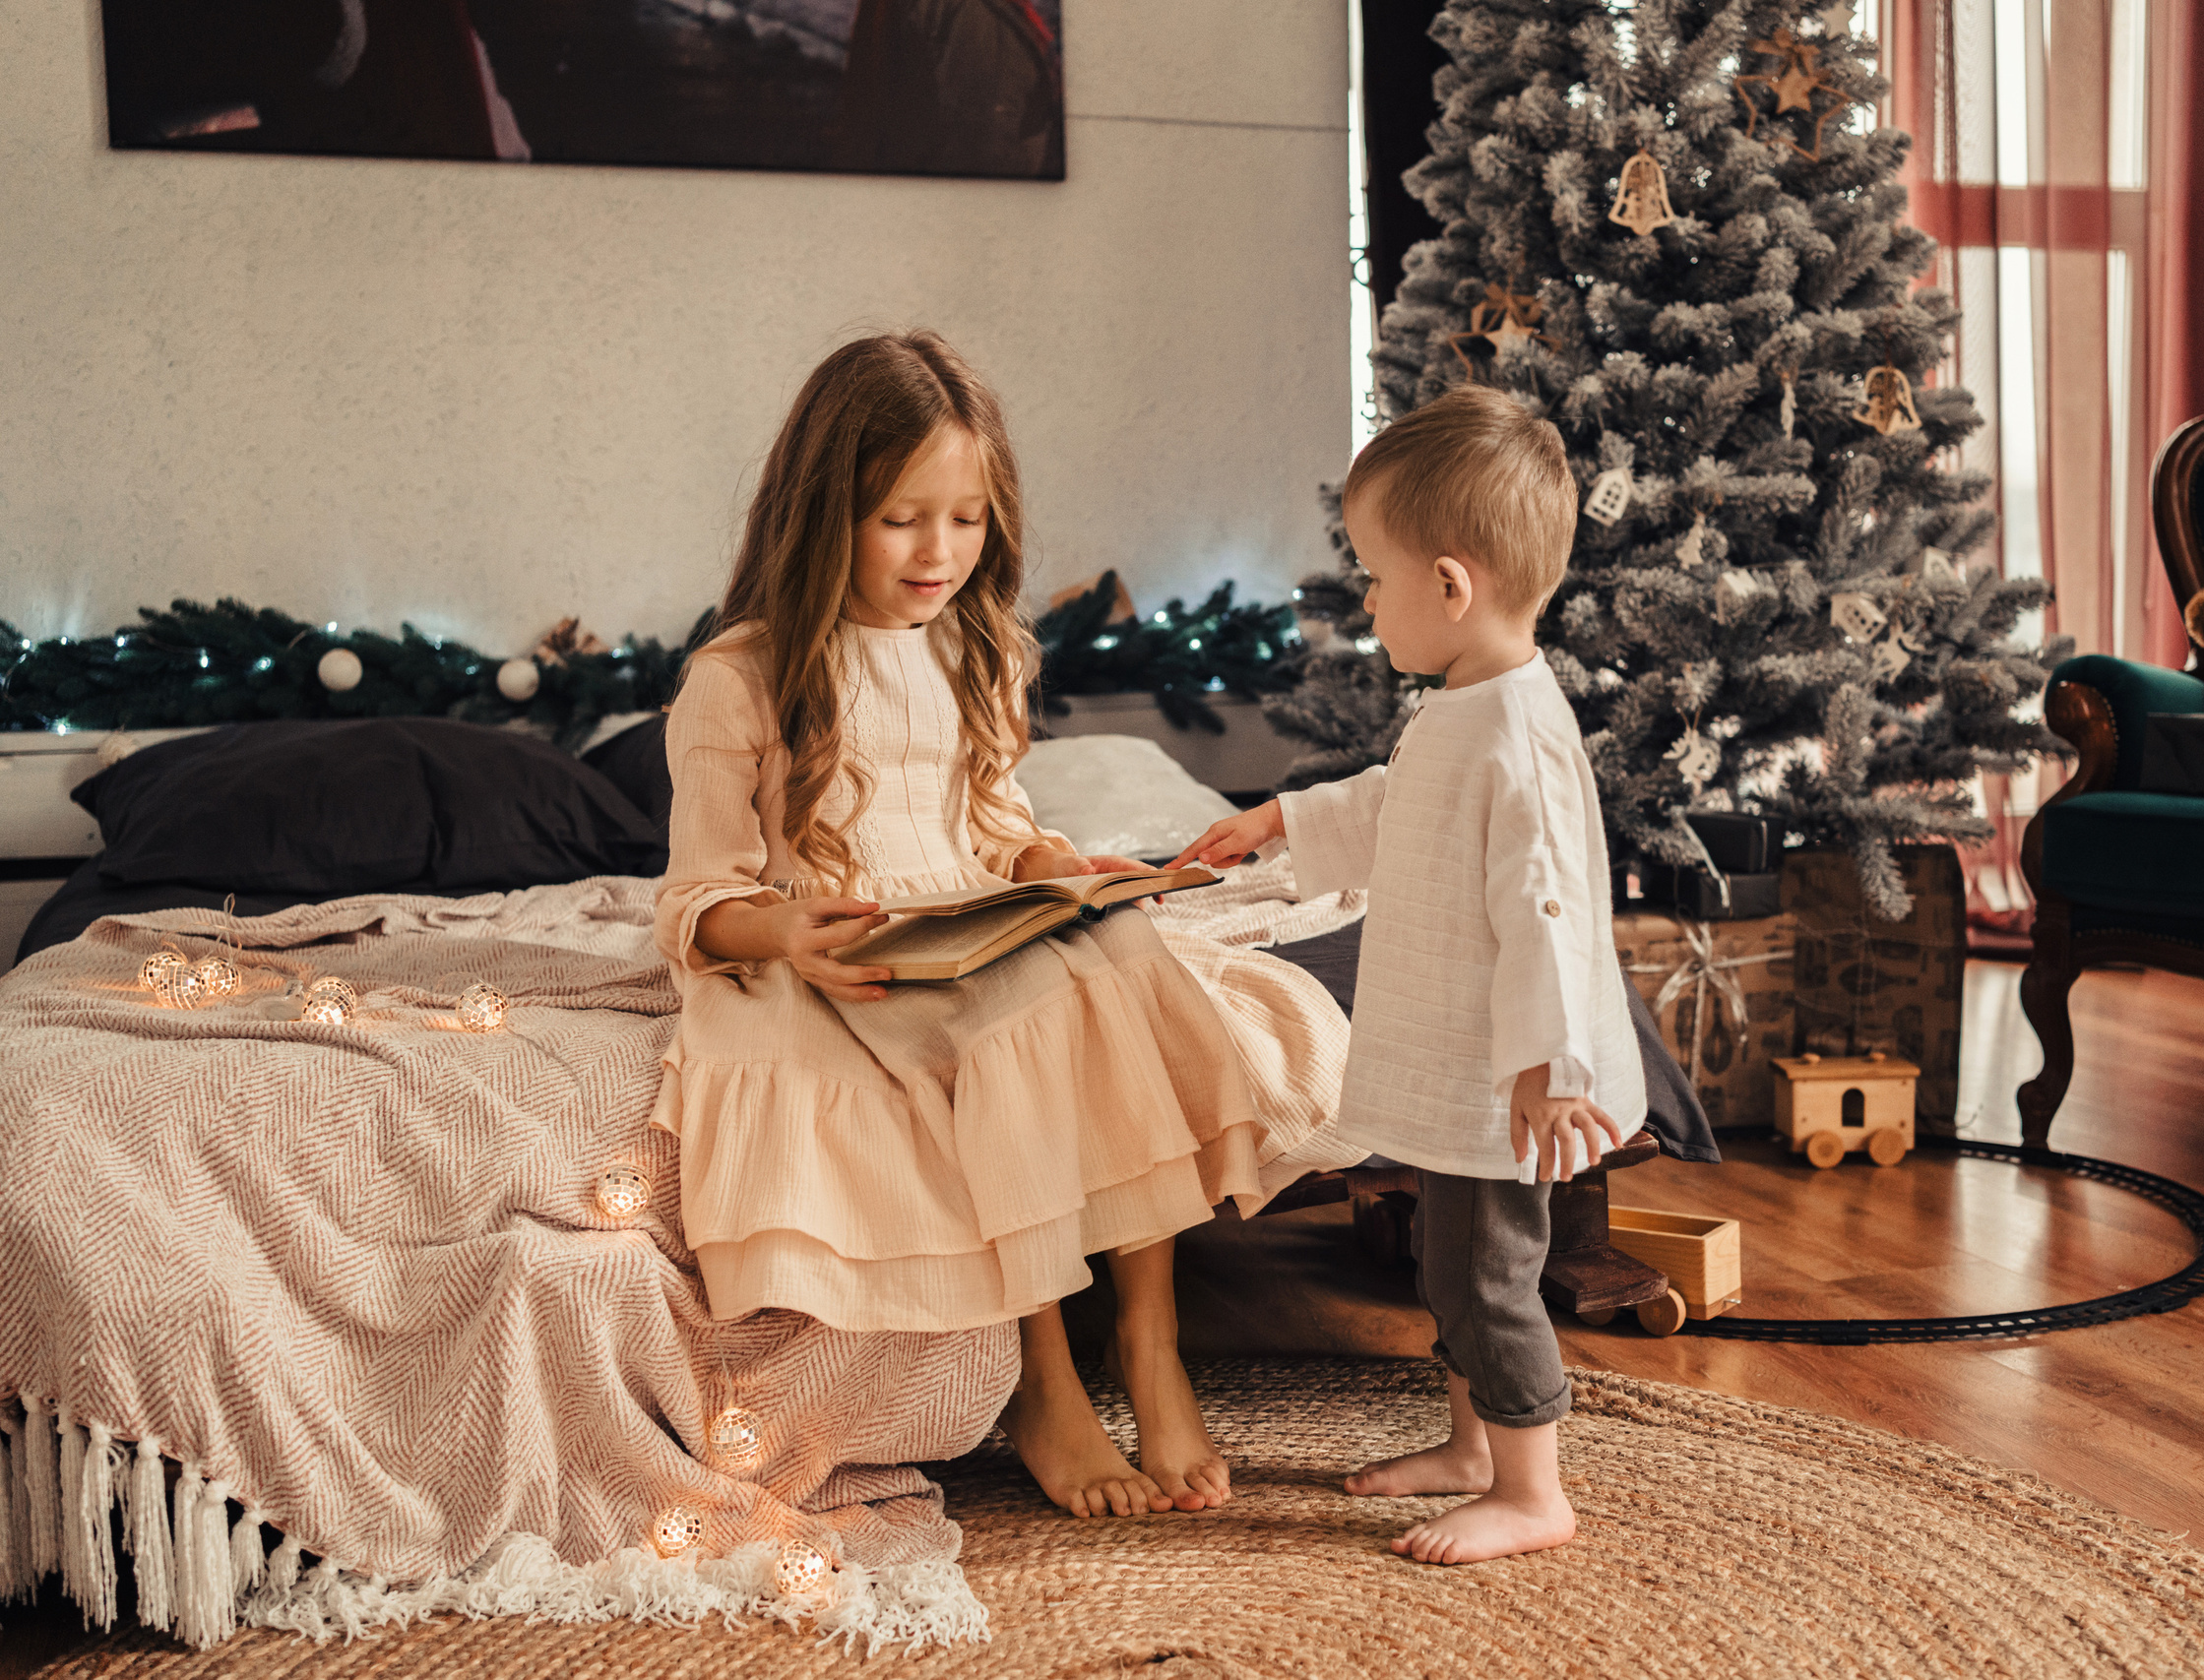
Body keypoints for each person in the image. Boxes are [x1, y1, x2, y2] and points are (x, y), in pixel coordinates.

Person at [652, 331, 1354, 1520]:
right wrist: (786, 936)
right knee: (1014, 1028)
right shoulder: (743, 675)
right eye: (902, 520)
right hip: (851, 952)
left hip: (976, 916)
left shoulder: (978, 646)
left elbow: (992, 817)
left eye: (968, 519)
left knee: (1124, 958)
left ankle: (1150, 1341)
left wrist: (1052, 866)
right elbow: (697, 900)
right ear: (825, 512)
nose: (941, 553)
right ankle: (1044, 1374)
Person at [1168, 384, 1646, 1565]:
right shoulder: (1467, 706)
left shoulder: (1512, 735)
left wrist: (1546, 1065)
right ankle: (1475, 1449)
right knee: (1447, 1256)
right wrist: (1284, 818)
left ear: (1450, 586)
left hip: (1508, 1075)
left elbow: (1541, 913)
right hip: (1465, 1059)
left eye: (1374, 581)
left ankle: (1533, 1488)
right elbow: (1405, 807)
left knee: (1490, 1275)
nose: (1366, 605)